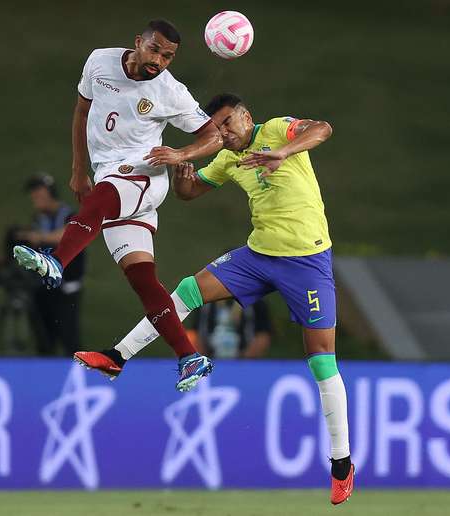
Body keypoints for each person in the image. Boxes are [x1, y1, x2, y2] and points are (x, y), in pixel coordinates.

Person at [74, 93, 354, 504]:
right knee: (188, 289)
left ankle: (341, 463)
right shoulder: (226, 159)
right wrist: (184, 180)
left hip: (307, 261)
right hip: (258, 255)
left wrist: (282, 152)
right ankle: (117, 355)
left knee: (321, 359)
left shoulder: (276, 129)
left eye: (227, 123)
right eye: (216, 127)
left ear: (247, 116)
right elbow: (192, 193)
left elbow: (322, 129)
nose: (222, 132)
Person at [11, 20, 223, 391]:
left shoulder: (170, 92)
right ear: (137, 42)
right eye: (155, 50)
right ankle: (189, 357)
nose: (159, 60)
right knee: (142, 278)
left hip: (144, 174)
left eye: (168, 56)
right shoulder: (100, 62)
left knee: (105, 195)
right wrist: (78, 169)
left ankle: (56, 261)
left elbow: (214, 136)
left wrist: (181, 153)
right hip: (109, 174)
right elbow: (81, 110)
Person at [15, 174, 85, 355]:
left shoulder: (69, 215)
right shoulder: (38, 219)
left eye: (38, 193)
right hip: (44, 286)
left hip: (67, 286)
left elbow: (68, 234)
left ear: (50, 193)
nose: (34, 198)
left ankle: (74, 374)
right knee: (44, 338)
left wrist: (38, 237)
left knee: (69, 336)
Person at [189, 297, 272, 358]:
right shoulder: (205, 301)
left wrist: (245, 360)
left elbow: (263, 336)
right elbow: (195, 334)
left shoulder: (255, 300)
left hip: (245, 363)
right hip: (211, 361)